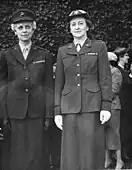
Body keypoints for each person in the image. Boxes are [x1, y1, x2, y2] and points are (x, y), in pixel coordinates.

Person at [54, 9, 112, 170]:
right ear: (69, 28)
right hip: (69, 107)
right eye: (73, 24)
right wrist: (57, 110)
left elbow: (105, 78)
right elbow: (59, 82)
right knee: (70, 152)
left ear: (87, 27)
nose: (77, 27)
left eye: (81, 23)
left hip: (92, 105)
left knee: (91, 150)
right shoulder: (63, 51)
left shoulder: (99, 47)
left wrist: (106, 106)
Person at [0, 8, 53, 170]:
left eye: (27, 27)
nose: (24, 31)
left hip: (37, 112)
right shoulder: (6, 55)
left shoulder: (44, 55)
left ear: (33, 28)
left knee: (38, 154)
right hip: (14, 113)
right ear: (14, 30)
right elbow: (1, 88)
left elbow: (49, 86)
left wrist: (49, 115)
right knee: (15, 155)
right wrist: (3, 116)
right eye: (20, 27)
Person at [105, 52, 124, 170]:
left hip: (113, 106)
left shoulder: (115, 72)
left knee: (114, 133)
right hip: (103, 106)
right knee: (105, 133)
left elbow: (114, 90)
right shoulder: (102, 72)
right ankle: (107, 159)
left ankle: (119, 160)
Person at [114, 46, 132, 161]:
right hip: (123, 104)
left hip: (127, 105)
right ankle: (122, 154)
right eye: (126, 55)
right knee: (123, 130)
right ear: (121, 57)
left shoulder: (124, 71)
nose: (128, 57)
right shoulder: (118, 71)